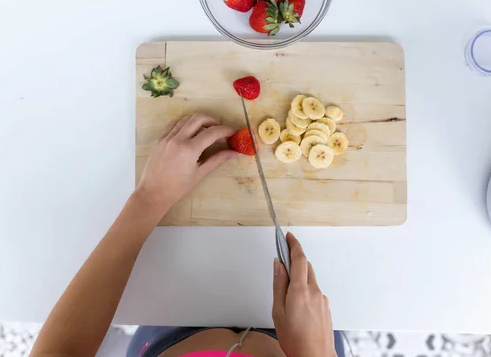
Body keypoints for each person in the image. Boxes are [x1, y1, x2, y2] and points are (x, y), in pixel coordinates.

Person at [30, 113, 343, 357]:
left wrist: (150, 198)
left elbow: (57, 352)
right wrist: (316, 351)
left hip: (166, 333)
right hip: (306, 336)